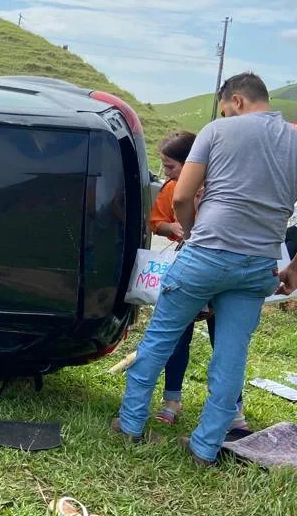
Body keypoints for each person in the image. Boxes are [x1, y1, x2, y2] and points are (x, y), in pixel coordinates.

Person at [114, 72, 297, 465]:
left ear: (236, 101)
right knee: (231, 356)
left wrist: (195, 233)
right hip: (258, 265)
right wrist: (294, 268)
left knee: (161, 338)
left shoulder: (218, 131)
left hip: (206, 253)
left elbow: (181, 195)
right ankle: (205, 447)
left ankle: (130, 424)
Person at [148, 130, 244, 428]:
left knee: (226, 340)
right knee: (179, 335)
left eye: (171, 167)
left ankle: (232, 409)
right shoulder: (172, 188)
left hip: (224, 272)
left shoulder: (224, 188)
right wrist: (174, 229)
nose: (168, 173)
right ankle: (172, 400)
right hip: (190, 269)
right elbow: (157, 221)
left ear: (192, 162)